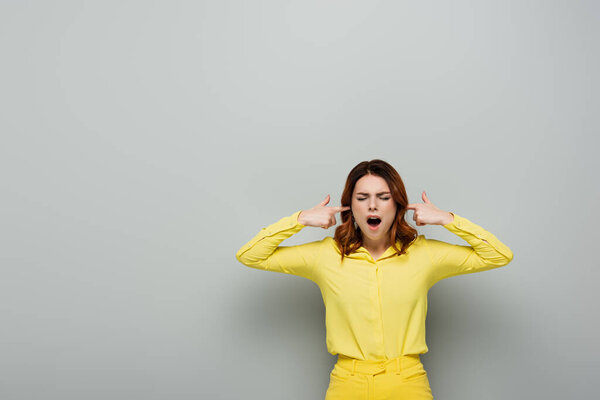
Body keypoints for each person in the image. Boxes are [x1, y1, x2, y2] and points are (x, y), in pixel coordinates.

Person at [235, 159, 514, 400]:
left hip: (407, 383)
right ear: (349, 207)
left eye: (383, 197)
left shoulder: (424, 254)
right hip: (347, 383)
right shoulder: (325, 256)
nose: (372, 206)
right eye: (362, 198)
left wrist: (449, 219)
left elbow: (498, 255)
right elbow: (251, 256)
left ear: (398, 204)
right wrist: (299, 219)